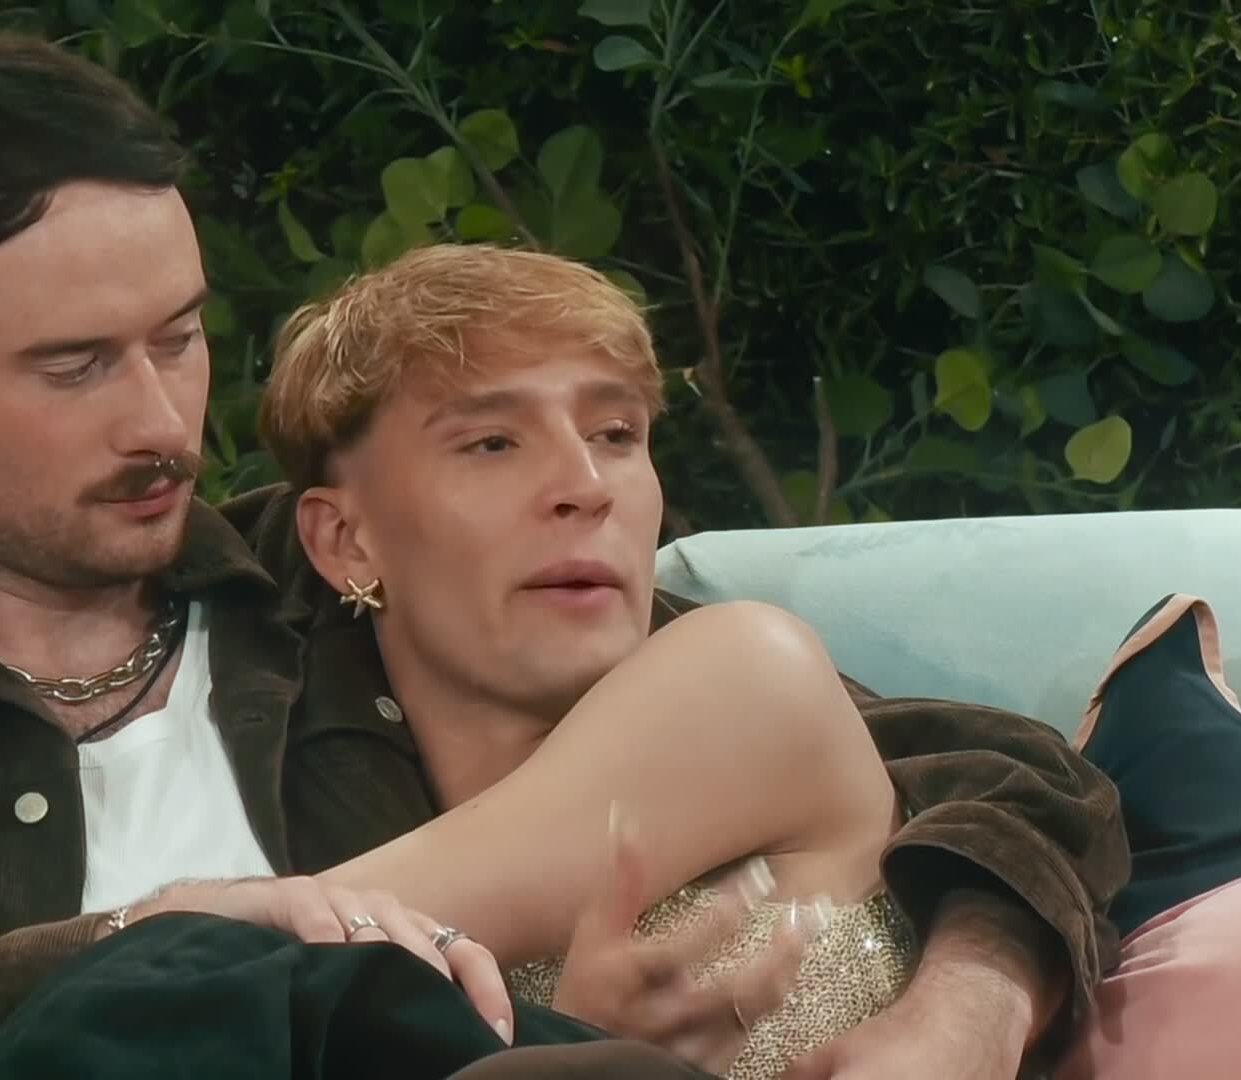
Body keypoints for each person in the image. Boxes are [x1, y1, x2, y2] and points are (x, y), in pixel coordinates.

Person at [0, 29, 1125, 1080]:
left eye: (179, 339)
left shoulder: (336, 579)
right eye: (77, 367)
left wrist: (966, 1008)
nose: (160, 417)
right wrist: (163, 940)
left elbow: (978, 768)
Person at [234, 241, 1127, 1078]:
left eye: (616, 433)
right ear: (344, 540)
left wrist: (975, 1003)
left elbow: (1033, 782)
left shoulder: (747, 668)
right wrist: (566, 1053)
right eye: (493, 442)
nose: (587, 487)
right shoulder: (275, 731)